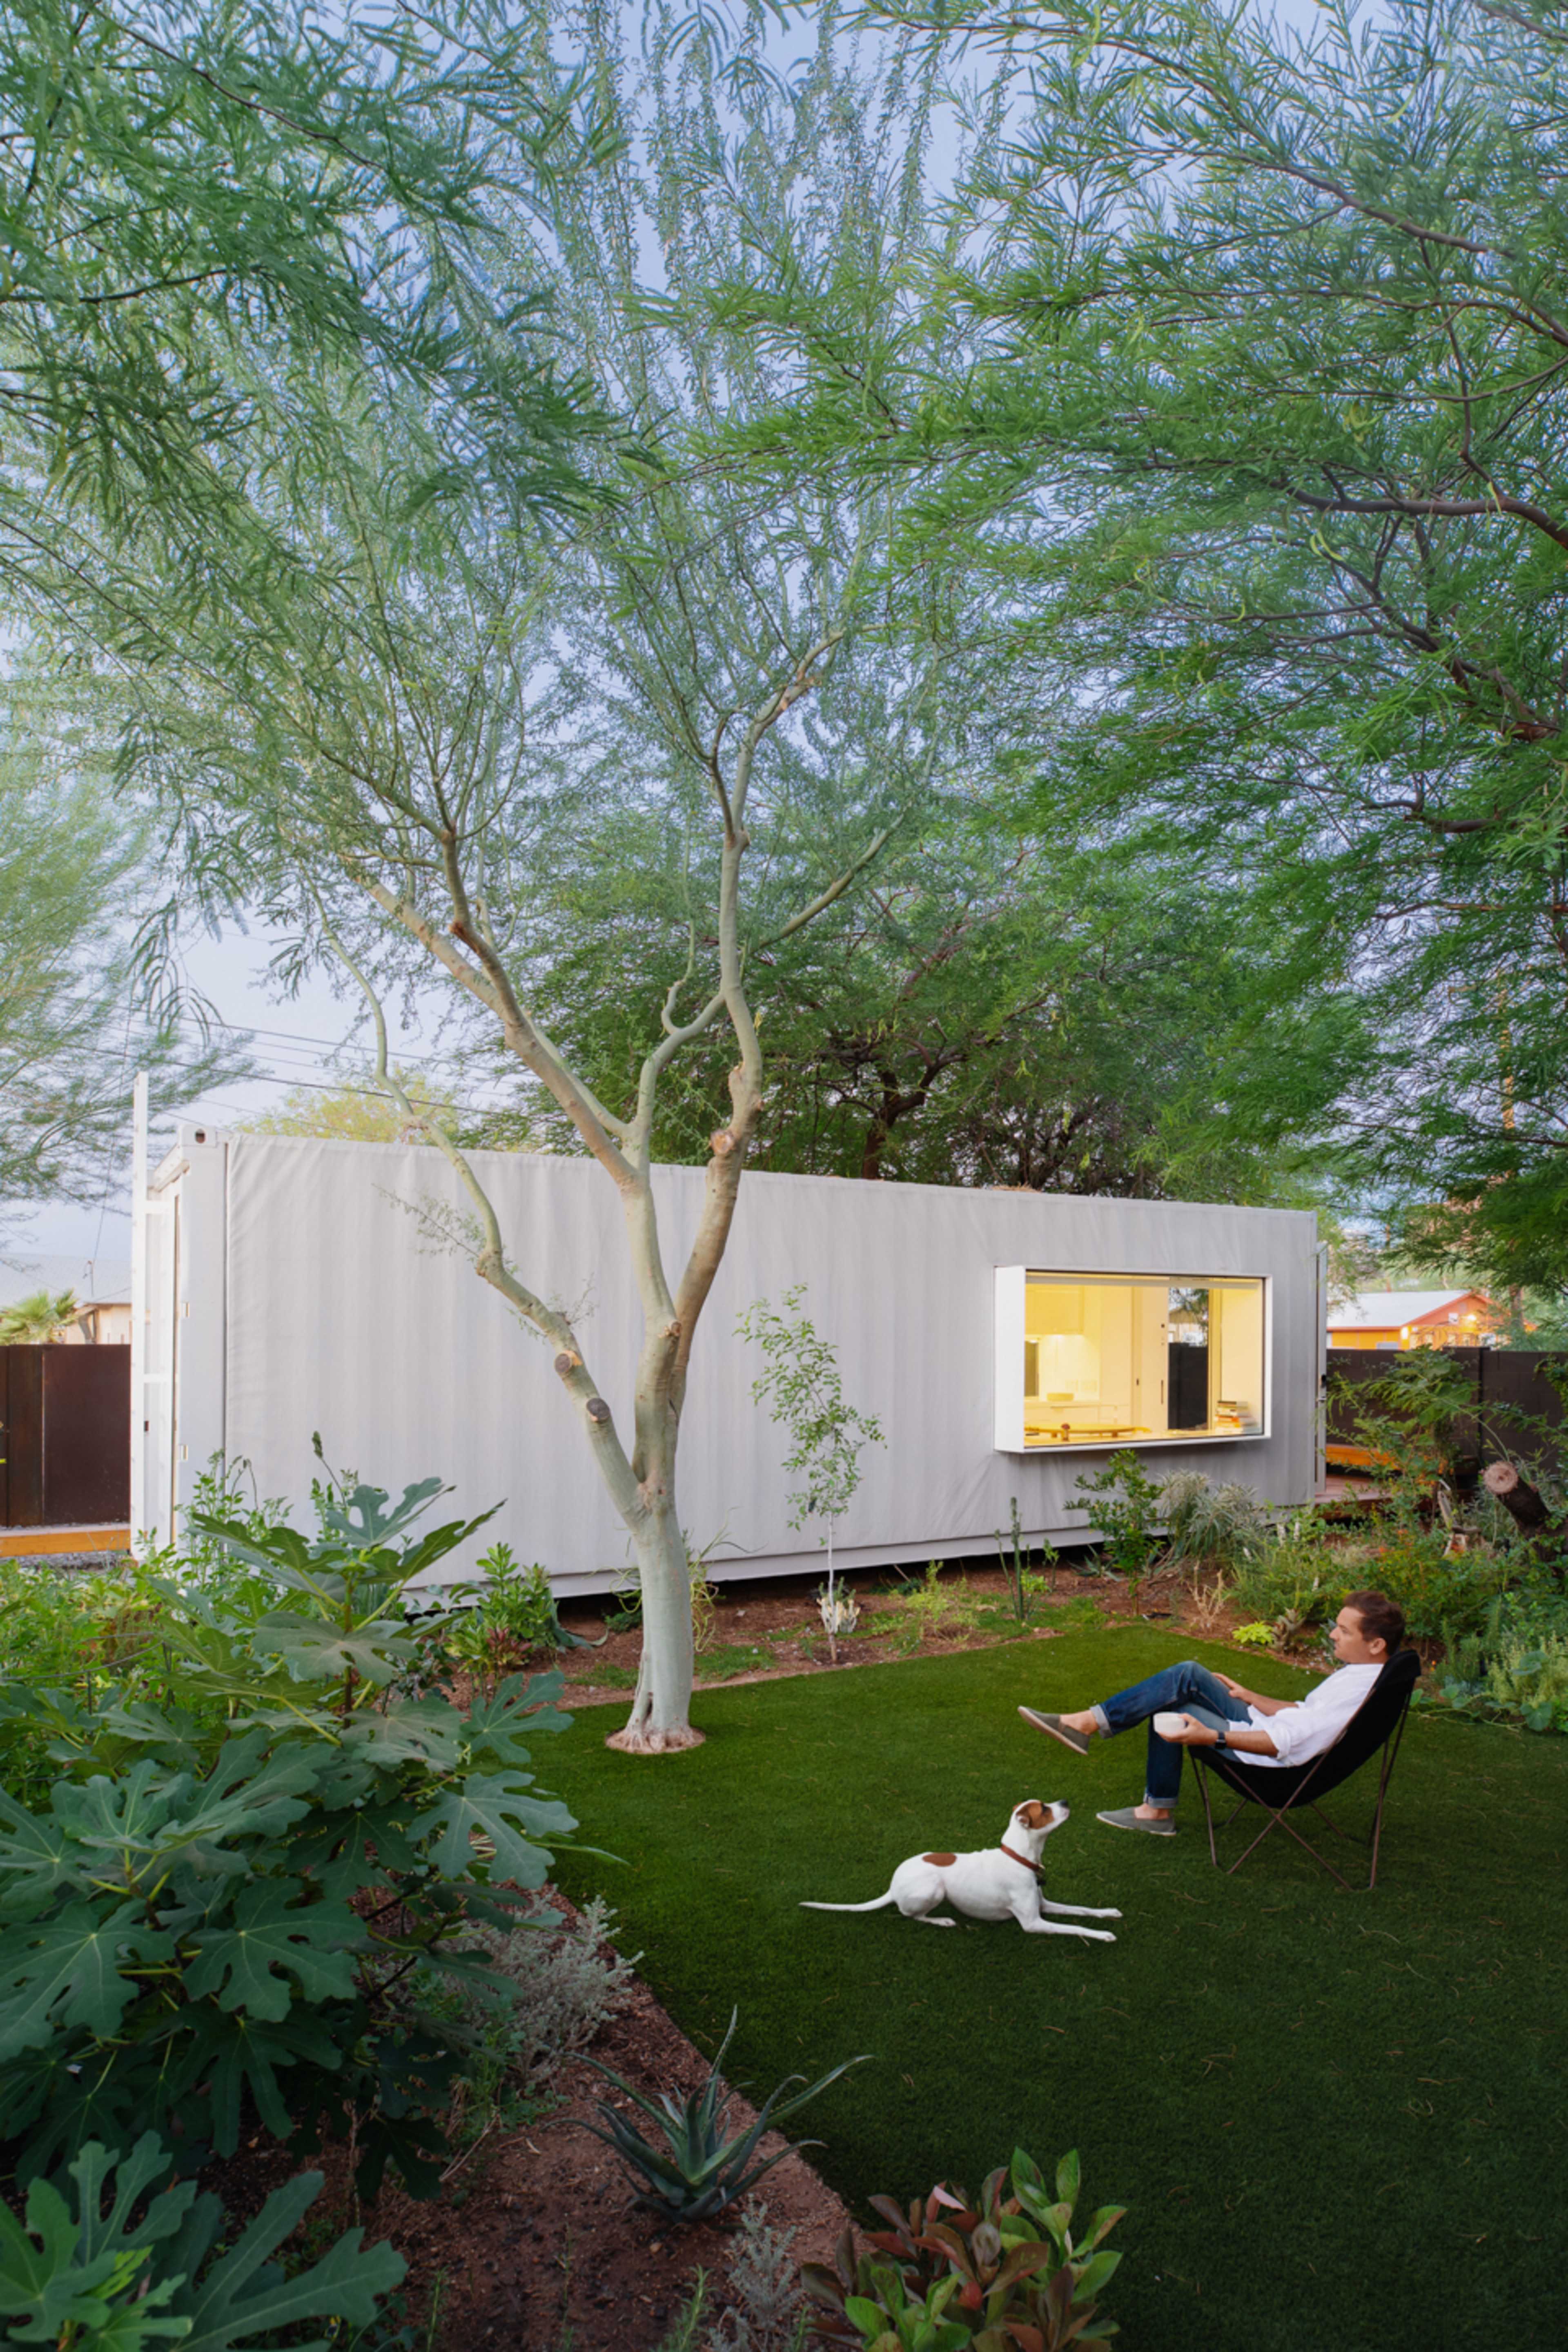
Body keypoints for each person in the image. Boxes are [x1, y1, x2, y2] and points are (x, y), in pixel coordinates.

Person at [1018, 1590, 1406, 1835]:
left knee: (1175, 1704)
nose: (1333, 1635)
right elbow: (1304, 1712)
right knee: (1188, 1677)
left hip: (1271, 1766)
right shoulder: (1365, 1674)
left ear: (1376, 1645)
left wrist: (1212, 1737)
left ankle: (1097, 1739)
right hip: (1266, 1725)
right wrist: (1249, 1696)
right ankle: (1147, 1802)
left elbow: (1283, 1743)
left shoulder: (1360, 1689)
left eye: (1344, 1631)